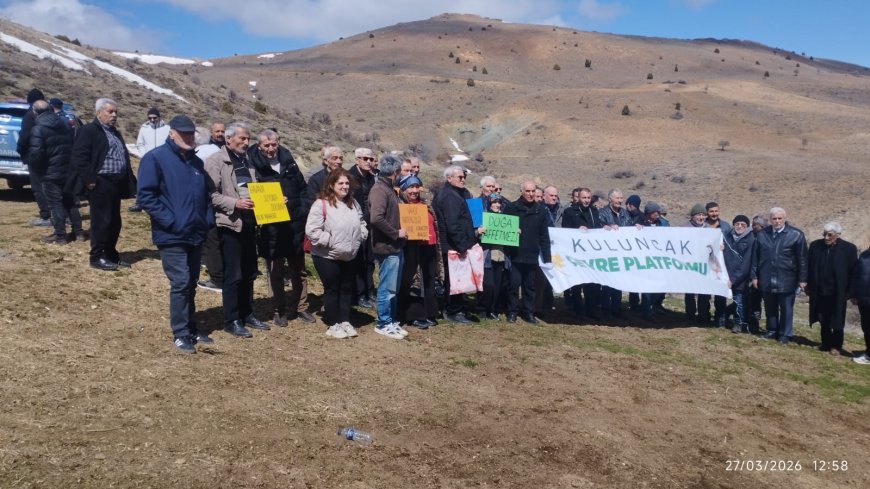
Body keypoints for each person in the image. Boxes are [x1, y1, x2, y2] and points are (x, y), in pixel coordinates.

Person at [136, 115, 212, 353]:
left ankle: (190, 327)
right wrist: (170, 221)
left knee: (190, 283)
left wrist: (206, 220)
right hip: (172, 235)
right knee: (180, 282)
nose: (189, 137)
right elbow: (146, 196)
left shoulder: (196, 164)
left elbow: (206, 196)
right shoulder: (155, 159)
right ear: (172, 133)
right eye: (184, 133)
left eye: (191, 133)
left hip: (196, 233)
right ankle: (180, 333)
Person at [204, 122, 269, 338]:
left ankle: (247, 313)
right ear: (228, 139)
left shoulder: (247, 162)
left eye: (248, 139)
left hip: (250, 223)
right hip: (230, 224)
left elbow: (255, 190)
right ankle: (231, 319)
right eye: (242, 138)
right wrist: (234, 204)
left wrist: (274, 201)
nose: (246, 143)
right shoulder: (215, 161)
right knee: (234, 274)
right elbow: (210, 194)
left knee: (249, 271)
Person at [248, 129, 316, 326]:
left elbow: (302, 189)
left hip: (294, 223)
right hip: (271, 228)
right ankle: (279, 309)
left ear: (278, 142)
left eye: (273, 144)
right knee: (275, 271)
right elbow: (252, 194)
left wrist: (300, 208)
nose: (270, 149)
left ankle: (302, 307)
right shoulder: (253, 165)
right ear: (259, 146)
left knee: (299, 270)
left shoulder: (288, 160)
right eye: (266, 146)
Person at [70, 98, 136, 271]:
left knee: (115, 221)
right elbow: (79, 157)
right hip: (100, 182)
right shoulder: (89, 131)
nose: (114, 115)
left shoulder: (115, 132)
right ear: (98, 112)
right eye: (110, 112)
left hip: (116, 183)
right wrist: (90, 180)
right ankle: (97, 256)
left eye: (116, 112)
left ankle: (111, 254)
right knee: (102, 221)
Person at [305, 169, 368, 339]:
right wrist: (331, 242)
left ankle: (345, 320)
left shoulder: (353, 203)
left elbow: (362, 222)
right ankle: (333, 323)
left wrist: (360, 236)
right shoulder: (321, 204)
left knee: (346, 288)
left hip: (349, 254)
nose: (345, 186)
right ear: (332, 185)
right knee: (332, 289)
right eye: (340, 183)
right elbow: (312, 230)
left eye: (347, 183)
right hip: (327, 256)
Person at [26, 100, 83, 245]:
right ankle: (79, 233)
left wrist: (36, 168)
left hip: (49, 171)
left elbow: (36, 154)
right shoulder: (64, 123)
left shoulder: (38, 128)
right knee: (70, 202)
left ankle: (60, 235)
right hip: (67, 169)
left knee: (55, 204)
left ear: (35, 112)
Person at [751, 207, 808, 345]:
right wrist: (754, 276)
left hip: (787, 278)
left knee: (786, 307)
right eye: (774, 219)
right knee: (770, 306)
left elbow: (803, 259)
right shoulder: (762, 235)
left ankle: (785, 334)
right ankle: (772, 330)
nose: (777, 221)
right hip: (766, 276)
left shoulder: (796, 235)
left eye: (779, 218)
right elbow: (755, 257)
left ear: (784, 218)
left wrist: (802, 279)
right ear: (770, 220)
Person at [369, 154, 409, 339]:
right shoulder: (379, 190)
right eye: (400, 171)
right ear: (395, 172)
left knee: (393, 287)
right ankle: (383, 323)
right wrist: (395, 233)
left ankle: (391, 321)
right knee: (387, 288)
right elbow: (376, 218)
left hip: (394, 247)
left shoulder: (389, 189)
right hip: (386, 247)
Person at [432, 165, 478, 324]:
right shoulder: (449, 196)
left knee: (455, 279)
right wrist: (462, 246)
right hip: (453, 246)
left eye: (464, 176)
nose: (463, 179)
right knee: (455, 280)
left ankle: (454, 308)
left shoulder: (452, 194)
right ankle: (453, 311)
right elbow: (452, 225)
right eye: (459, 177)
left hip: (454, 245)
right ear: (449, 178)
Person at [397, 174, 442, 328]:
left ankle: (429, 311)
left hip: (430, 246)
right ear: (403, 189)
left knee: (429, 279)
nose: (414, 190)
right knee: (414, 281)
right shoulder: (401, 206)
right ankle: (414, 314)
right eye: (411, 187)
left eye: (417, 187)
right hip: (412, 247)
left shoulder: (425, 204)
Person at [504, 181, 552, 324]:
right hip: (515, 254)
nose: (531, 194)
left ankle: (528, 312)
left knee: (529, 286)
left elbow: (544, 236)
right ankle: (512, 312)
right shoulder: (511, 208)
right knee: (513, 285)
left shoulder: (541, 210)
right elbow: (504, 230)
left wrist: (547, 257)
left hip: (532, 255)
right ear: (522, 191)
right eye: (528, 191)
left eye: (533, 191)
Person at [806, 222, 857, 355]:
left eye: (830, 235)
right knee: (823, 317)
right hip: (820, 289)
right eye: (824, 234)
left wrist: (851, 292)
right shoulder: (816, 246)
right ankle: (825, 343)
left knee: (837, 318)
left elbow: (853, 272)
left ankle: (836, 345)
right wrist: (807, 284)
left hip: (838, 292)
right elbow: (809, 266)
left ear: (838, 235)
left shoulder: (849, 249)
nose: (826, 238)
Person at [562, 187, 603, 320]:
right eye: (584, 198)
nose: (586, 200)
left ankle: (590, 309)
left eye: (588, 198)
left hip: (591, 254)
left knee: (591, 283)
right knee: (577, 284)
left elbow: (597, 228)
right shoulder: (569, 212)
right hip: (576, 254)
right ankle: (577, 309)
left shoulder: (594, 211)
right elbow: (565, 231)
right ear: (578, 198)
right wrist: (576, 230)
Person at [195, 121, 227, 292]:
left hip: (208, 200)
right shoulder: (220, 152)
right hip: (222, 200)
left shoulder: (200, 154)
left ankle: (217, 277)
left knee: (210, 238)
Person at [17, 88, 52, 226]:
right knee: (52, 187)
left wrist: (21, 152)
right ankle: (60, 215)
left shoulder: (30, 116)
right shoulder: (53, 115)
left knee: (38, 187)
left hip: (36, 157)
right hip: (53, 157)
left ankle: (46, 216)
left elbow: (24, 137)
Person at [348, 147, 378, 308]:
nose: (368, 162)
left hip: (372, 223)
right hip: (356, 224)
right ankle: (358, 294)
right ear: (356, 160)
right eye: (364, 159)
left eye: (370, 159)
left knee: (370, 260)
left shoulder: (371, 178)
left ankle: (369, 291)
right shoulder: (350, 177)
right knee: (359, 260)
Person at [598, 188, 633, 317]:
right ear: (610, 199)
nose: (620, 201)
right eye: (618, 198)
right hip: (607, 255)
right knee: (607, 283)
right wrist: (604, 228)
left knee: (618, 282)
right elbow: (597, 228)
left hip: (621, 255)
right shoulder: (602, 213)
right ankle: (605, 309)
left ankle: (616, 308)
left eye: (621, 198)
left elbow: (629, 228)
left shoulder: (625, 213)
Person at [129, 107, 170, 212]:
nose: (152, 120)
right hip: (148, 160)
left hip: (163, 160)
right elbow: (140, 144)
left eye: (154, 118)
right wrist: (145, 155)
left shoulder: (167, 128)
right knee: (144, 181)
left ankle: (164, 201)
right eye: (149, 118)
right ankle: (140, 203)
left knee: (163, 181)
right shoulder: (144, 128)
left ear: (159, 117)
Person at [635, 202, 669, 320]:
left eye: (659, 212)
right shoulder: (640, 223)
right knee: (647, 288)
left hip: (659, 260)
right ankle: (646, 312)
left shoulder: (662, 224)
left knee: (661, 287)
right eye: (656, 212)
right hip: (645, 261)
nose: (658, 214)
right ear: (649, 213)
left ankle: (651, 306)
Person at [723, 215, 756, 333]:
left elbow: (746, 263)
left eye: (743, 225)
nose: (740, 227)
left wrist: (734, 279)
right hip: (726, 274)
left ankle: (738, 323)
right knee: (722, 298)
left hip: (741, 277)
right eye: (737, 224)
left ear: (747, 227)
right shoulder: (727, 237)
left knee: (739, 301)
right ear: (733, 225)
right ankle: (722, 319)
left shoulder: (751, 239)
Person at [479, 192, 509, 320]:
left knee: (498, 285)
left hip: (501, 256)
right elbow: (475, 235)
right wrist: (479, 231)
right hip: (487, 257)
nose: (497, 205)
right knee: (488, 285)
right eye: (494, 202)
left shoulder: (506, 219)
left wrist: (515, 231)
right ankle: (482, 308)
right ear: (489, 204)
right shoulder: (483, 218)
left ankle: (493, 309)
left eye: (499, 203)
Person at [683, 203, 712, 324]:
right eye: (698, 215)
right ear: (692, 216)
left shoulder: (709, 229)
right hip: (689, 266)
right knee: (689, 293)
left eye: (703, 215)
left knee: (704, 293)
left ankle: (703, 316)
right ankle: (690, 315)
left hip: (704, 266)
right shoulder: (683, 228)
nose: (701, 217)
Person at [849, 244, 870, 365]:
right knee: (866, 327)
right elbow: (856, 276)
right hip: (864, 298)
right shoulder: (865, 255)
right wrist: (853, 294)